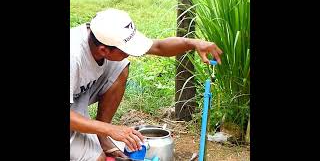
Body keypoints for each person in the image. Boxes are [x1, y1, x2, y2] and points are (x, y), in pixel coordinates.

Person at [70, 8, 223, 161]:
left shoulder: (103, 36)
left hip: (76, 94)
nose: (129, 53)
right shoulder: (73, 55)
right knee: (98, 159)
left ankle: (101, 137)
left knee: (120, 66)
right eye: (125, 51)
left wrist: (193, 43)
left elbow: (158, 47)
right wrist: (112, 130)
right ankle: (98, 136)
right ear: (104, 50)